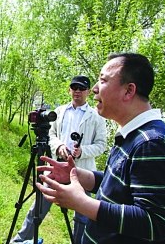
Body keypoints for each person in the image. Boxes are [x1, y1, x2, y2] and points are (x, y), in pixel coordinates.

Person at [36, 53, 165, 244]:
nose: (95, 89)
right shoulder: (133, 134)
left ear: (128, 91)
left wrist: (82, 203)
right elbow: (119, 187)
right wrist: (79, 175)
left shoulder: (152, 143)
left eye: (103, 80)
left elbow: (156, 223)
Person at [11, 76, 107, 243]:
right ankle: (19, 240)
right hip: (57, 168)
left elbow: (101, 144)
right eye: (74, 87)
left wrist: (82, 151)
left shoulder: (97, 116)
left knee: (82, 217)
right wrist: (59, 147)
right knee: (38, 208)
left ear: (88, 91)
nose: (77, 91)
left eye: (81, 88)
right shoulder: (59, 111)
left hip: (83, 171)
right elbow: (51, 134)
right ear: (69, 90)